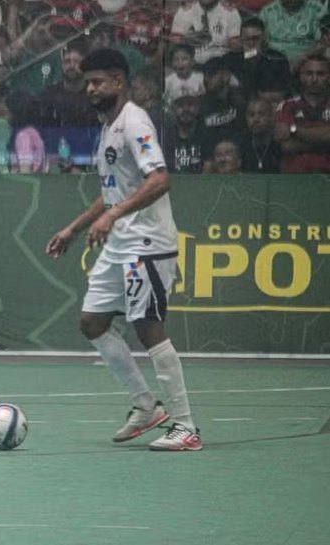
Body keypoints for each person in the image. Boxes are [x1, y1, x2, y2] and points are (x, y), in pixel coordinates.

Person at [45, 48, 202, 452]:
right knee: (92, 322)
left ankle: (186, 426)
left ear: (119, 81)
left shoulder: (134, 122)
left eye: (98, 81)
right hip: (121, 243)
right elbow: (112, 192)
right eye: (88, 82)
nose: (90, 88)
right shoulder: (108, 127)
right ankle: (146, 406)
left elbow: (160, 179)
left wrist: (113, 217)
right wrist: (75, 228)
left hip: (148, 242)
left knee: (148, 326)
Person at [274, 53, 330, 172]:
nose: (314, 79)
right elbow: (286, 146)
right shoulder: (286, 106)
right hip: (295, 176)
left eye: (320, 74)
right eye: (309, 74)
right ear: (301, 77)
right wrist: (324, 143)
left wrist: (293, 130)